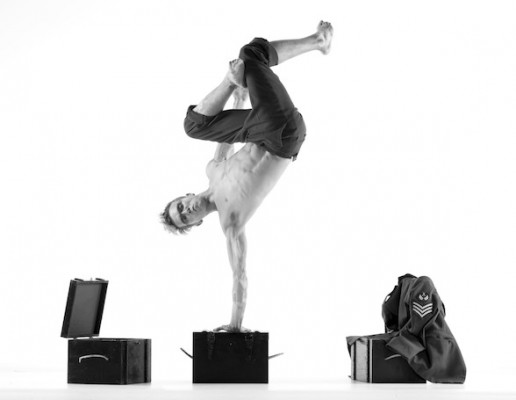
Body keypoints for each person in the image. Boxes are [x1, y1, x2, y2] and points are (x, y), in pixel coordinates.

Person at [162, 21, 334, 332]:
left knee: (194, 126)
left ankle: (239, 77)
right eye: (186, 218)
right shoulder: (231, 222)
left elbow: (224, 140)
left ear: (185, 195)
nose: (187, 211)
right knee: (251, 55)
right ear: (196, 223)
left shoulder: (212, 169)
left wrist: (238, 95)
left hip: (258, 126)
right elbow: (239, 276)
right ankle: (316, 41)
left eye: (180, 207)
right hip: (283, 137)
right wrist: (234, 326)